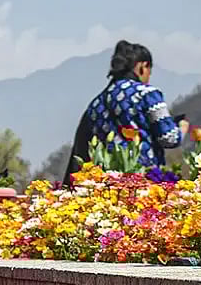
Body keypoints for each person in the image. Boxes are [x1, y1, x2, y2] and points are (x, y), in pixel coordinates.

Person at [64, 40, 188, 184]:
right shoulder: (147, 94)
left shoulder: (97, 102)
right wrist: (182, 128)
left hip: (107, 184)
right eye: (149, 71)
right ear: (142, 66)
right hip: (143, 181)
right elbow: (169, 138)